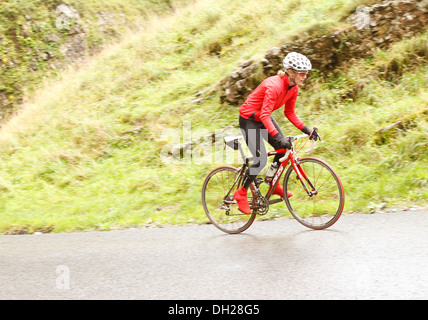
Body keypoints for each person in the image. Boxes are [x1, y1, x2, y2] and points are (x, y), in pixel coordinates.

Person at [234, 52, 319, 214]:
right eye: (302, 73)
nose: (305, 76)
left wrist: (307, 130)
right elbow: (265, 115)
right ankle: (241, 193)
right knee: (260, 159)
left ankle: (273, 184)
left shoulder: (293, 89)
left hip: (263, 118)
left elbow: (290, 113)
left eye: (306, 73)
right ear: (291, 72)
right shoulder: (274, 86)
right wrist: (279, 137)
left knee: (284, 150)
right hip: (249, 119)